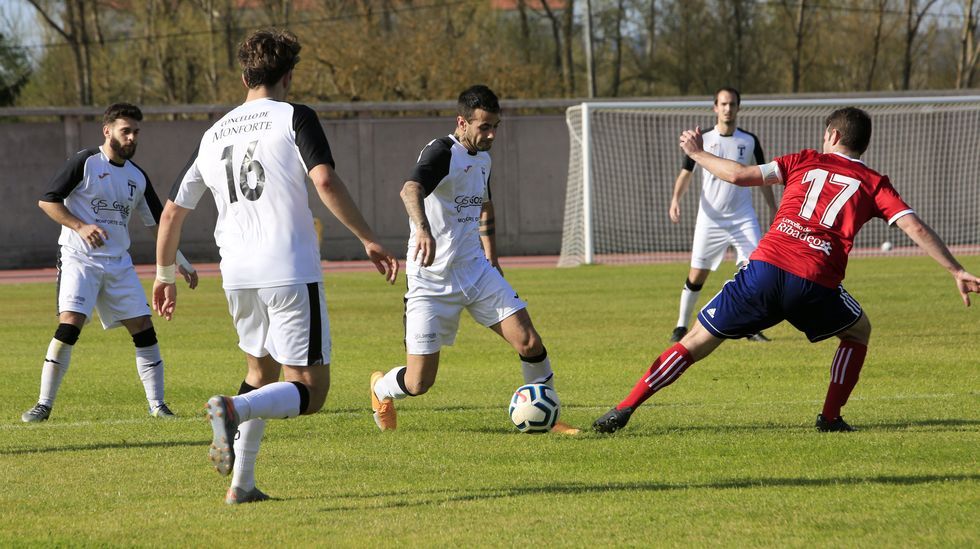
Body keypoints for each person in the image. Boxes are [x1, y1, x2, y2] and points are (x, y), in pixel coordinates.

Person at [593, 107, 980, 434]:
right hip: (814, 282)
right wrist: (956, 270)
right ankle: (830, 417)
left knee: (694, 340)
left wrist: (696, 153)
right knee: (858, 331)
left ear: (832, 135)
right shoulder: (874, 183)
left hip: (764, 270)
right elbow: (915, 227)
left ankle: (624, 408)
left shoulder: (804, 160)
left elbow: (738, 175)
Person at [152, 28, 399, 505]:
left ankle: (241, 485)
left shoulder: (212, 134)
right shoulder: (294, 116)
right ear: (288, 77)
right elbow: (324, 180)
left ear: (244, 76)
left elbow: (171, 213)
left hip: (237, 274)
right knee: (310, 390)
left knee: (260, 372)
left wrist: (164, 276)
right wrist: (368, 238)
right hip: (288, 269)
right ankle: (232, 408)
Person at [369, 85, 579, 435]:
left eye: (495, 126)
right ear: (462, 122)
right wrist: (423, 229)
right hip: (431, 280)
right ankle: (380, 388)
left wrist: (491, 257)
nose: (492, 134)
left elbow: (484, 206)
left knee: (529, 342)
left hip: (476, 271)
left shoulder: (483, 158)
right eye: (484, 127)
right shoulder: (442, 152)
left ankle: (549, 415)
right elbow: (410, 189)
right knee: (419, 382)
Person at [21, 103, 198, 423]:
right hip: (79, 259)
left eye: (136, 132)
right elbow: (47, 201)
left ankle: (158, 406)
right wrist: (80, 226)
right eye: (125, 131)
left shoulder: (137, 176)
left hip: (119, 263)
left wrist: (180, 261)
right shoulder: (85, 162)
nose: (131, 138)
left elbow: (160, 224)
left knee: (144, 328)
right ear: (107, 131)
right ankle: (43, 405)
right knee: (70, 323)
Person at [667, 87, 777, 343]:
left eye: (732, 104)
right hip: (710, 219)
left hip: (743, 217)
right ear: (715, 107)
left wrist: (773, 207)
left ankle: (751, 327)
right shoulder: (703, 139)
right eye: (724, 104)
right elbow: (686, 173)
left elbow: (762, 176)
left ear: (738, 107)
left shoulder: (749, 140)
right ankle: (681, 326)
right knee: (697, 274)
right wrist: (675, 200)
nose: (728, 109)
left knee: (755, 270)